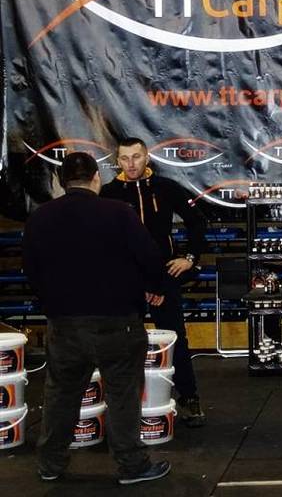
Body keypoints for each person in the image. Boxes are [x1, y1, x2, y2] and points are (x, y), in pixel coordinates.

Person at [22, 152, 171, 484]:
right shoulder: (119, 213)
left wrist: (52, 302)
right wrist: (156, 287)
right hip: (117, 321)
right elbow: (149, 256)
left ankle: (50, 463)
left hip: (65, 323)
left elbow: (30, 269)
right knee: (122, 395)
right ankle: (132, 465)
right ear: (96, 178)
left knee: (61, 395)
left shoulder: (41, 218)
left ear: (61, 182)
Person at [100, 137, 207, 427]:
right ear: (117, 162)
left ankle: (189, 397)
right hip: (126, 280)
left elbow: (197, 221)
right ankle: (120, 404)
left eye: (136, 157)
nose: (131, 164)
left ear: (147, 158)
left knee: (175, 337)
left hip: (164, 275)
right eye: (125, 158)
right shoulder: (108, 194)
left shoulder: (166, 187)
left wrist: (190, 257)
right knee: (120, 342)